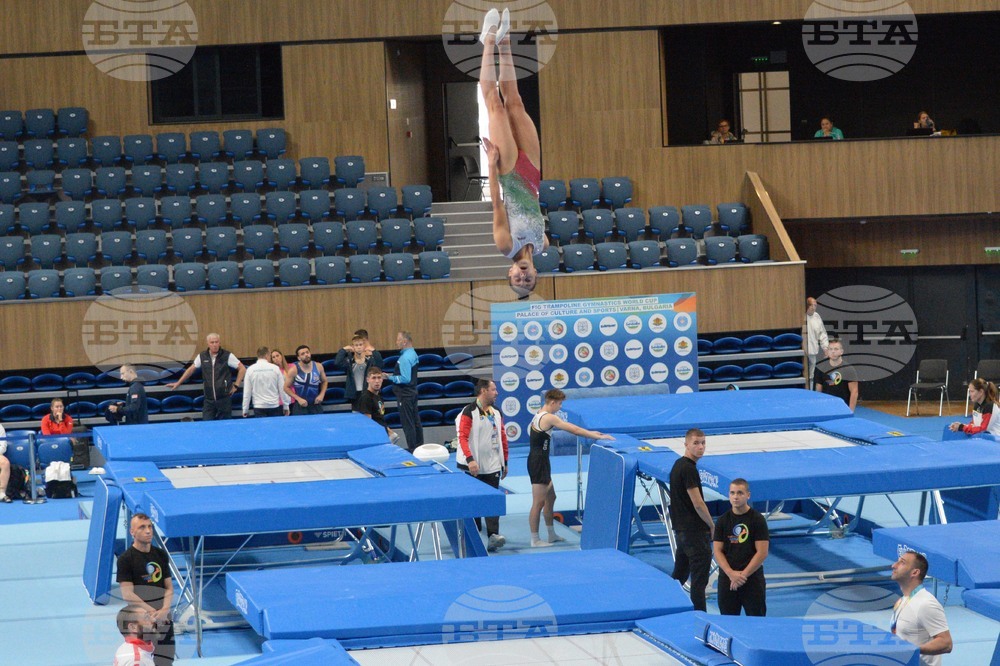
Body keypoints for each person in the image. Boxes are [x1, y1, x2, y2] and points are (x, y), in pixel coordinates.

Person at [479, 8, 549, 298]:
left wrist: (491, 164)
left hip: (508, 173)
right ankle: (505, 41)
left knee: (495, 105)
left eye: (518, 280)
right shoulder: (543, 244)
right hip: (532, 173)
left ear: (509, 272)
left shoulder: (505, 245)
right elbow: (534, 205)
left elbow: (497, 203)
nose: (523, 276)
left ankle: (488, 39)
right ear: (535, 274)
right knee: (516, 103)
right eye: (528, 281)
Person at [528, 389, 613, 548]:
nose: (560, 407)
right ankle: (535, 539)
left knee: (551, 497)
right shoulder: (548, 417)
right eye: (559, 404)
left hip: (541, 461)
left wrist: (591, 432)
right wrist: (596, 436)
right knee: (538, 503)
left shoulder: (539, 413)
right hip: (538, 463)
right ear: (552, 402)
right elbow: (573, 429)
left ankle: (551, 534)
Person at [456, 379, 509, 552]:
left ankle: (493, 536)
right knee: (474, 502)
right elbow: (462, 437)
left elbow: (502, 437)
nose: (497, 393)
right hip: (472, 466)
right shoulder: (468, 412)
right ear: (483, 391)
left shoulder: (496, 412)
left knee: (492, 500)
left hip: (492, 464)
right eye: (493, 389)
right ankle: (474, 536)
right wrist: (470, 460)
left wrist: (505, 461)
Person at [116, 513, 174, 665]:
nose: (148, 531)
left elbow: (169, 587)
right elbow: (127, 594)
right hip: (143, 621)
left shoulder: (160, 554)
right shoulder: (125, 559)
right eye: (142, 527)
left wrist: (165, 609)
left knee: (166, 660)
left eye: (150, 526)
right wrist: (151, 613)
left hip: (163, 617)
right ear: (132, 532)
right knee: (144, 659)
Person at [669, 428, 714, 611]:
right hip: (694, 533)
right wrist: (711, 524)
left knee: (678, 577)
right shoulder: (688, 469)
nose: (700, 447)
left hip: (682, 532)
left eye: (703, 443)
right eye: (696, 443)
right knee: (698, 583)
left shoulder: (678, 465)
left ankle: (667, 607)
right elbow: (698, 503)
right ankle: (700, 618)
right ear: (686, 444)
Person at [713, 478, 770, 616]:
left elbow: (762, 552)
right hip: (728, 579)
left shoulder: (757, 520)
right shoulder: (722, 521)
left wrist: (743, 576)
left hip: (752, 579)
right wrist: (731, 573)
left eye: (740, 493)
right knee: (728, 622)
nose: (735, 497)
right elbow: (717, 551)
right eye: (732, 493)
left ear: (748, 495)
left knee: (756, 621)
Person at [890, 550, 952, 665]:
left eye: (902, 562)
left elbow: (946, 643)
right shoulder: (901, 601)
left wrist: (914, 650)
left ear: (914, 572)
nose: (894, 565)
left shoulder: (926, 603)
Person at [167, 333, 245, 420]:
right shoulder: (202, 356)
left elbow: (242, 369)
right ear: (208, 344)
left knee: (225, 425)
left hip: (224, 399)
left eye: (216, 342)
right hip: (209, 400)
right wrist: (178, 383)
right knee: (206, 424)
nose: (215, 345)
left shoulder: (227, 356)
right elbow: (191, 369)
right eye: (212, 342)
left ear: (219, 343)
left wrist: (236, 385)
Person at [383, 331, 423, 451]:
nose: (396, 342)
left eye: (398, 339)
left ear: (404, 341)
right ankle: (419, 447)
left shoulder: (405, 358)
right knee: (415, 421)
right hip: (412, 392)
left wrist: (389, 377)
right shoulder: (413, 353)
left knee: (408, 423)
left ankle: (413, 449)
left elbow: (405, 379)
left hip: (405, 394)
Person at [335, 334, 384, 406]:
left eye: (360, 345)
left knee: (368, 411)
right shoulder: (349, 361)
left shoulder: (370, 360)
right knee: (356, 412)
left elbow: (380, 364)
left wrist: (374, 351)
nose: (359, 347)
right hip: (354, 394)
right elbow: (337, 363)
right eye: (356, 345)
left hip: (368, 391)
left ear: (364, 346)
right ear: (353, 347)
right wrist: (343, 350)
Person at [355, 366, 399, 445]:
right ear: (368, 380)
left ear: (382, 379)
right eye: (374, 378)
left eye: (379, 378)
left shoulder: (379, 397)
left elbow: (379, 418)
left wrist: (389, 432)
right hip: (375, 438)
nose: (377, 381)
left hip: (383, 436)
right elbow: (367, 423)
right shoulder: (366, 398)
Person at [242, 346, 290, 417]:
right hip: (274, 405)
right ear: (267, 355)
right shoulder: (275, 369)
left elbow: (247, 391)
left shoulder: (250, 370)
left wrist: (245, 409)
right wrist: (286, 406)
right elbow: (282, 389)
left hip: (259, 406)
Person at [814, 337, 859, 411]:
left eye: (836, 349)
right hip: (826, 408)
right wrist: (819, 409)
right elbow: (818, 391)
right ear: (827, 352)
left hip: (843, 408)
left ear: (841, 351)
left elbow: (854, 392)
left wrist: (850, 411)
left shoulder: (849, 369)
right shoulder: (821, 369)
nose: (833, 352)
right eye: (830, 349)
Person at [284, 344, 328, 415]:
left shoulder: (319, 366)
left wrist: (321, 394)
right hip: (300, 405)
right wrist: (298, 398)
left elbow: (324, 381)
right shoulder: (293, 370)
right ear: (298, 358)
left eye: (307, 352)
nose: (306, 355)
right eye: (303, 354)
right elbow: (286, 387)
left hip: (315, 403)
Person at [805, 297, 829, 390]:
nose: (814, 307)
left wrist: (825, 348)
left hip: (813, 352)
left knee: (811, 376)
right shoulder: (802, 316)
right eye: (812, 305)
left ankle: (810, 392)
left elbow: (822, 333)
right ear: (808, 305)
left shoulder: (817, 316)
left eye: (815, 305)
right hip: (803, 351)